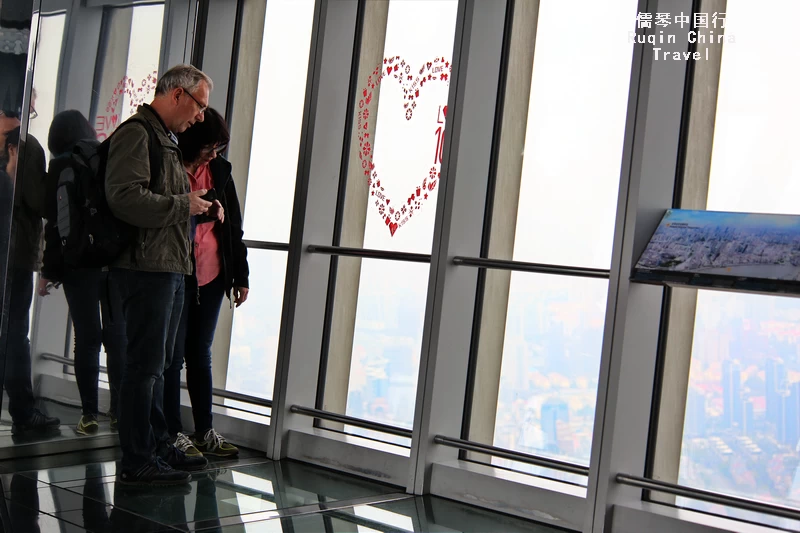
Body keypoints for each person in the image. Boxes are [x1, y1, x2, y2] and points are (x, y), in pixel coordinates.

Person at [105, 64, 222, 485]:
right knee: (144, 367)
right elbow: (124, 198)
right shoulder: (138, 134)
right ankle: (137, 460)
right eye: (199, 106)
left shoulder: (165, 139)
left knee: (156, 365)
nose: (200, 117)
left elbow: (167, 199)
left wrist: (200, 204)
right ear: (177, 94)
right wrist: (182, 206)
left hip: (169, 267)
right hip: (146, 268)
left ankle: (155, 445)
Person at [164, 108, 249, 458]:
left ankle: (204, 430)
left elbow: (233, 229)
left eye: (219, 147)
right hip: (175, 271)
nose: (214, 154)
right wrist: (201, 211)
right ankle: (171, 433)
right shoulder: (170, 167)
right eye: (209, 147)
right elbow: (162, 216)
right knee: (171, 358)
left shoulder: (219, 171)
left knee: (200, 353)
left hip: (212, 273)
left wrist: (240, 275)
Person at [38, 110, 127, 436]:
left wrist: (49, 270)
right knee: (118, 339)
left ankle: (89, 414)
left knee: (87, 340)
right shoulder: (106, 156)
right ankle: (118, 412)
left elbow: (55, 223)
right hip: (114, 263)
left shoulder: (61, 165)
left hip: (80, 266)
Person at [0, 115, 61, 436]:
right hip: (15, 254)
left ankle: (23, 410)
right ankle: (23, 411)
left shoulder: (26, 148)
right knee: (14, 334)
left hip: (16, 254)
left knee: (14, 334)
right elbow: (39, 202)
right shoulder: (26, 149)